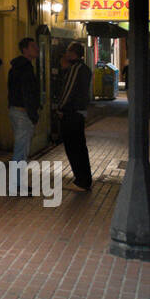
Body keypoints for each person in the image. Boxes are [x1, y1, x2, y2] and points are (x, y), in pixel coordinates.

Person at [56, 42, 93, 190]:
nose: (65, 55)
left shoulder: (76, 69)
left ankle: (81, 181)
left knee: (73, 148)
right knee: (80, 147)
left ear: (72, 53)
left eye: (67, 52)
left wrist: (60, 108)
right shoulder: (85, 69)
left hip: (71, 114)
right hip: (80, 112)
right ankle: (85, 180)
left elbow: (68, 91)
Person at [7, 37, 41, 163]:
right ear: (25, 50)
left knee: (22, 149)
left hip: (17, 111)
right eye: (33, 46)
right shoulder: (25, 68)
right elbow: (27, 93)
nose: (36, 49)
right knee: (21, 149)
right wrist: (33, 115)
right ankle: (16, 182)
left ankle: (18, 181)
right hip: (23, 113)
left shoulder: (17, 67)